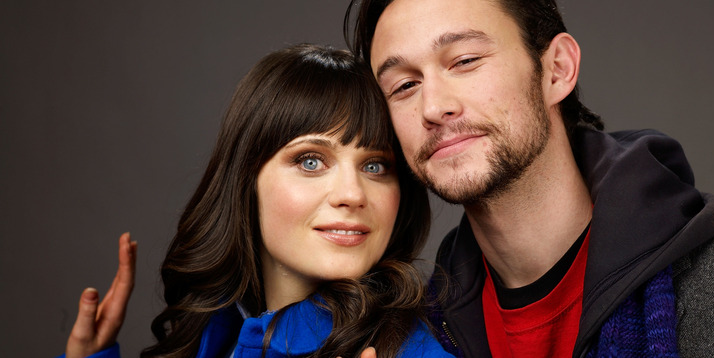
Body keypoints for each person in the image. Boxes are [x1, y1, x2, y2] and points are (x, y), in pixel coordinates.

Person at [345, 0, 714, 357]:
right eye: (404, 85)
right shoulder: (410, 337)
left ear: (557, 70)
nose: (434, 106)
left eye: (465, 61)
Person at [62, 44, 454, 358]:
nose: (352, 194)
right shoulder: (217, 327)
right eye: (311, 161)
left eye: (374, 166)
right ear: (246, 179)